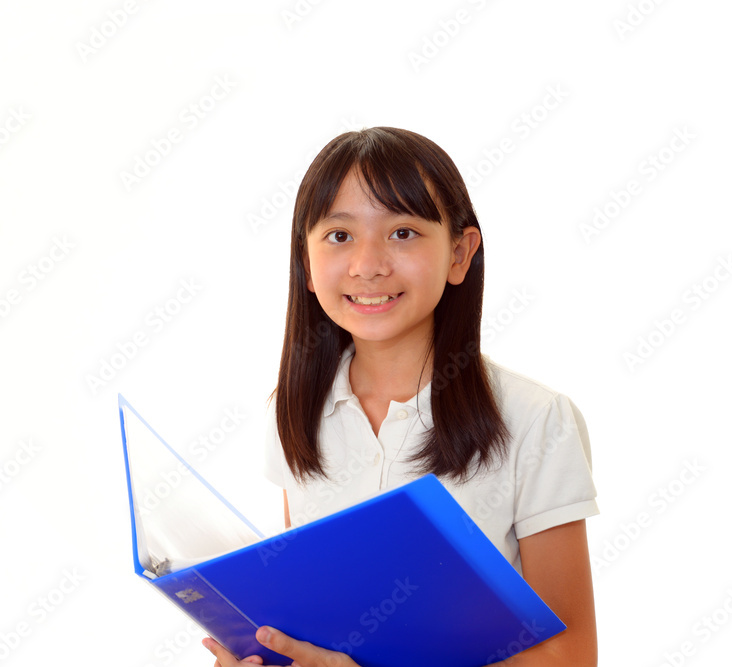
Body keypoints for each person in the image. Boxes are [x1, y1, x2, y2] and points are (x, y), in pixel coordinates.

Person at [203, 127, 598, 666]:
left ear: (459, 253)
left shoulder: (535, 419)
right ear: (306, 262)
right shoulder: (292, 412)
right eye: (339, 235)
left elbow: (571, 654)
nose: (368, 264)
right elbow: (314, 615)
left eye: (403, 232)